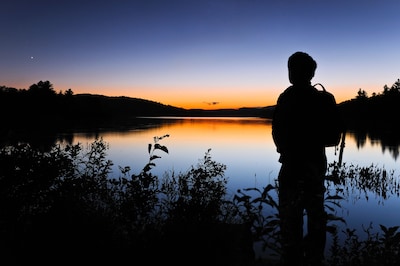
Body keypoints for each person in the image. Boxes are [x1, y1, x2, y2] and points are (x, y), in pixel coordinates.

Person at [272, 51, 337, 266]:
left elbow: (277, 134)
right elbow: (333, 138)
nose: (291, 73)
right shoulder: (325, 99)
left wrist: (288, 147)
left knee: (290, 222)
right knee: (315, 220)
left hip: (292, 168)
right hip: (313, 167)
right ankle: (313, 260)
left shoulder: (286, 98)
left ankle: (294, 260)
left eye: (293, 69)